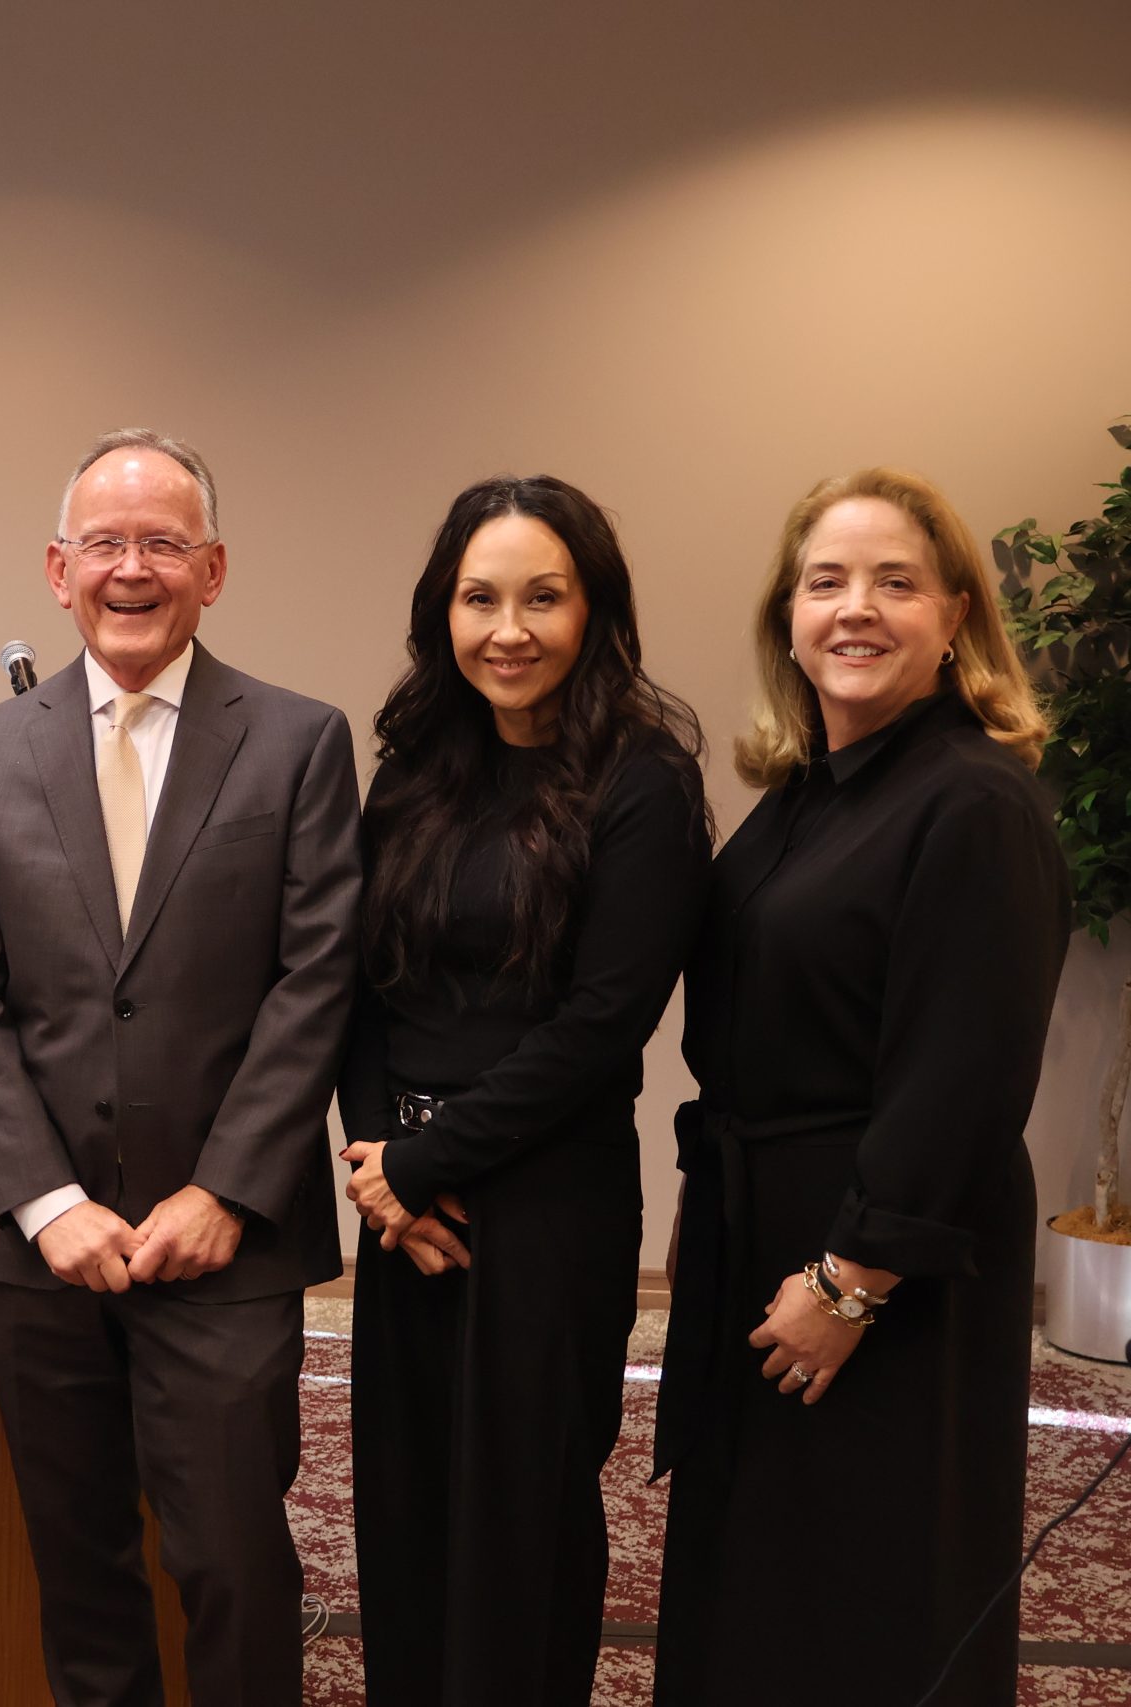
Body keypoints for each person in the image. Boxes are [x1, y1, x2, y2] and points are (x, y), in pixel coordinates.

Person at [0, 429, 362, 1707]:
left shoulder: (296, 741)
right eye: (104, 544)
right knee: (79, 1568)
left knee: (233, 1563)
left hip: (223, 1249)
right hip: (35, 1256)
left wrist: (225, 1192)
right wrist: (46, 1201)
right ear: (57, 570)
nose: (131, 569)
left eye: (162, 543)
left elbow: (315, 979)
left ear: (212, 570)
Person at [652, 467, 1067, 1706]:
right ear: (787, 618)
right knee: (760, 1571)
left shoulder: (973, 799)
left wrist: (851, 1280)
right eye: (825, 581)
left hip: (885, 1258)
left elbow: (965, 1073)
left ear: (954, 618)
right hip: (766, 1226)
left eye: (896, 582)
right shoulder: (803, 797)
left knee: (869, 1580)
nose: (856, 609)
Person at [337, 475, 709, 1705]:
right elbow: (362, 990)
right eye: (479, 598)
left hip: (547, 1206)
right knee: (404, 1511)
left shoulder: (644, 782)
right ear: (441, 612)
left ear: (592, 609)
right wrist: (377, 1163)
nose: (508, 630)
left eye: (542, 598)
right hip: (405, 1209)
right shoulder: (414, 772)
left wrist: (420, 1166)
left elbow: (601, 1026)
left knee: (519, 1522)